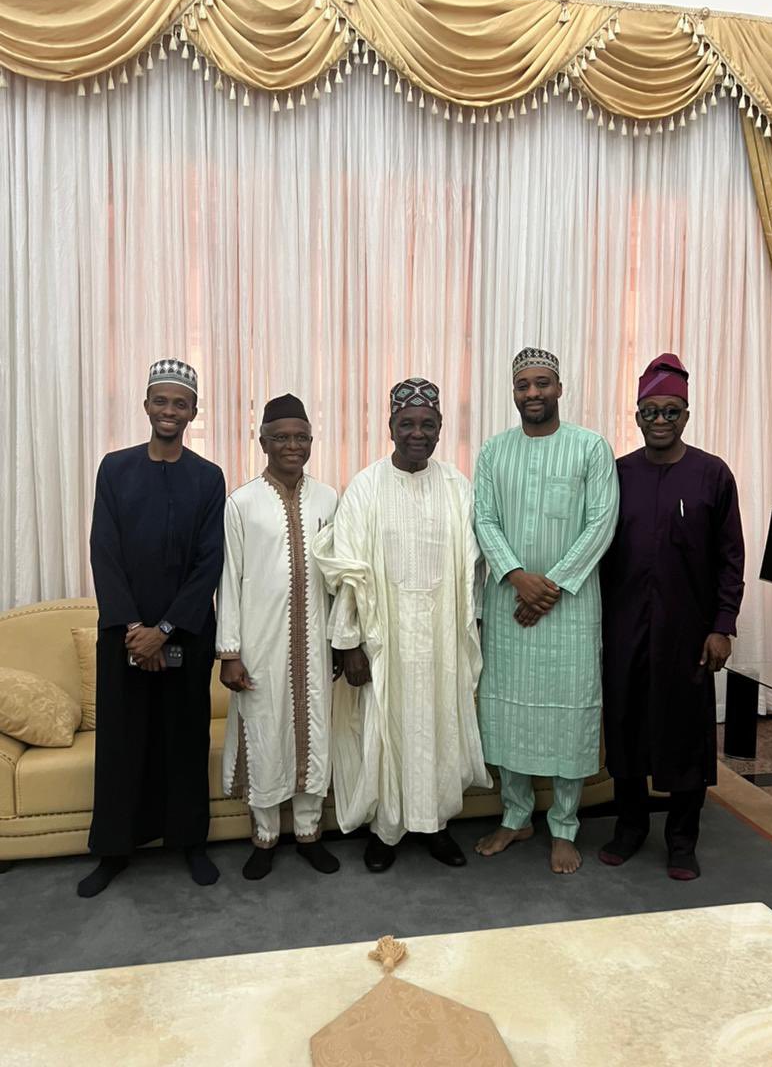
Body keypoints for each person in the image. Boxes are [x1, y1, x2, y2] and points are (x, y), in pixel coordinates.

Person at [313, 378, 490, 872]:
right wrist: (349, 644)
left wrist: (472, 629)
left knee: (439, 726)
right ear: (390, 427)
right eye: (407, 424)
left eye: (427, 424)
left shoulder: (457, 486)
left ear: (440, 430)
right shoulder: (365, 486)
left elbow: (471, 569)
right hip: (382, 638)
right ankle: (386, 830)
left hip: (441, 638)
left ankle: (434, 825)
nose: (417, 433)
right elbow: (346, 570)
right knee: (384, 733)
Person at [79, 359, 225, 898]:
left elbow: (209, 562)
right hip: (124, 634)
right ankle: (113, 850)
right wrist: (135, 630)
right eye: (160, 401)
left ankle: (191, 844)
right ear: (146, 406)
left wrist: (164, 629)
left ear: (192, 411)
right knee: (123, 742)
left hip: (184, 633)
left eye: (180, 403)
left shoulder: (208, 478)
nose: (170, 411)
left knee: (185, 741)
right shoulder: (114, 469)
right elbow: (105, 553)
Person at [473, 347, 619, 874]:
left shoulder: (590, 448)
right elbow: (484, 520)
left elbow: (601, 523)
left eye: (542, 384)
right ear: (513, 392)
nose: (532, 393)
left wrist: (549, 586)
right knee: (507, 709)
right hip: (510, 603)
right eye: (522, 386)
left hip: (570, 607)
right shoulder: (493, 451)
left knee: (569, 713)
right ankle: (516, 817)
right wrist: (517, 577)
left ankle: (564, 825)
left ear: (560, 388)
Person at [599, 353, 744, 880]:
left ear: (687, 415)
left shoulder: (712, 475)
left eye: (671, 412)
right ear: (637, 416)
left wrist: (722, 625)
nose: (660, 421)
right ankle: (630, 828)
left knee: (686, 733)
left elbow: (731, 558)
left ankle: (682, 839)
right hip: (624, 629)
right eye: (650, 412)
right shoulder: (616, 474)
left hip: (689, 634)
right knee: (627, 727)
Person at [216, 394, 341, 880]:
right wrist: (229, 653)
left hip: (315, 644)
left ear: (311, 441)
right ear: (263, 441)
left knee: (312, 733)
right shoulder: (241, 503)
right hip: (260, 646)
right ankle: (265, 837)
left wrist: (341, 638)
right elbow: (229, 578)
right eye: (282, 437)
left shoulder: (329, 498)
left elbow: (341, 575)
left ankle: (309, 833)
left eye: (301, 437)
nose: (293, 445)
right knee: (266, 736)